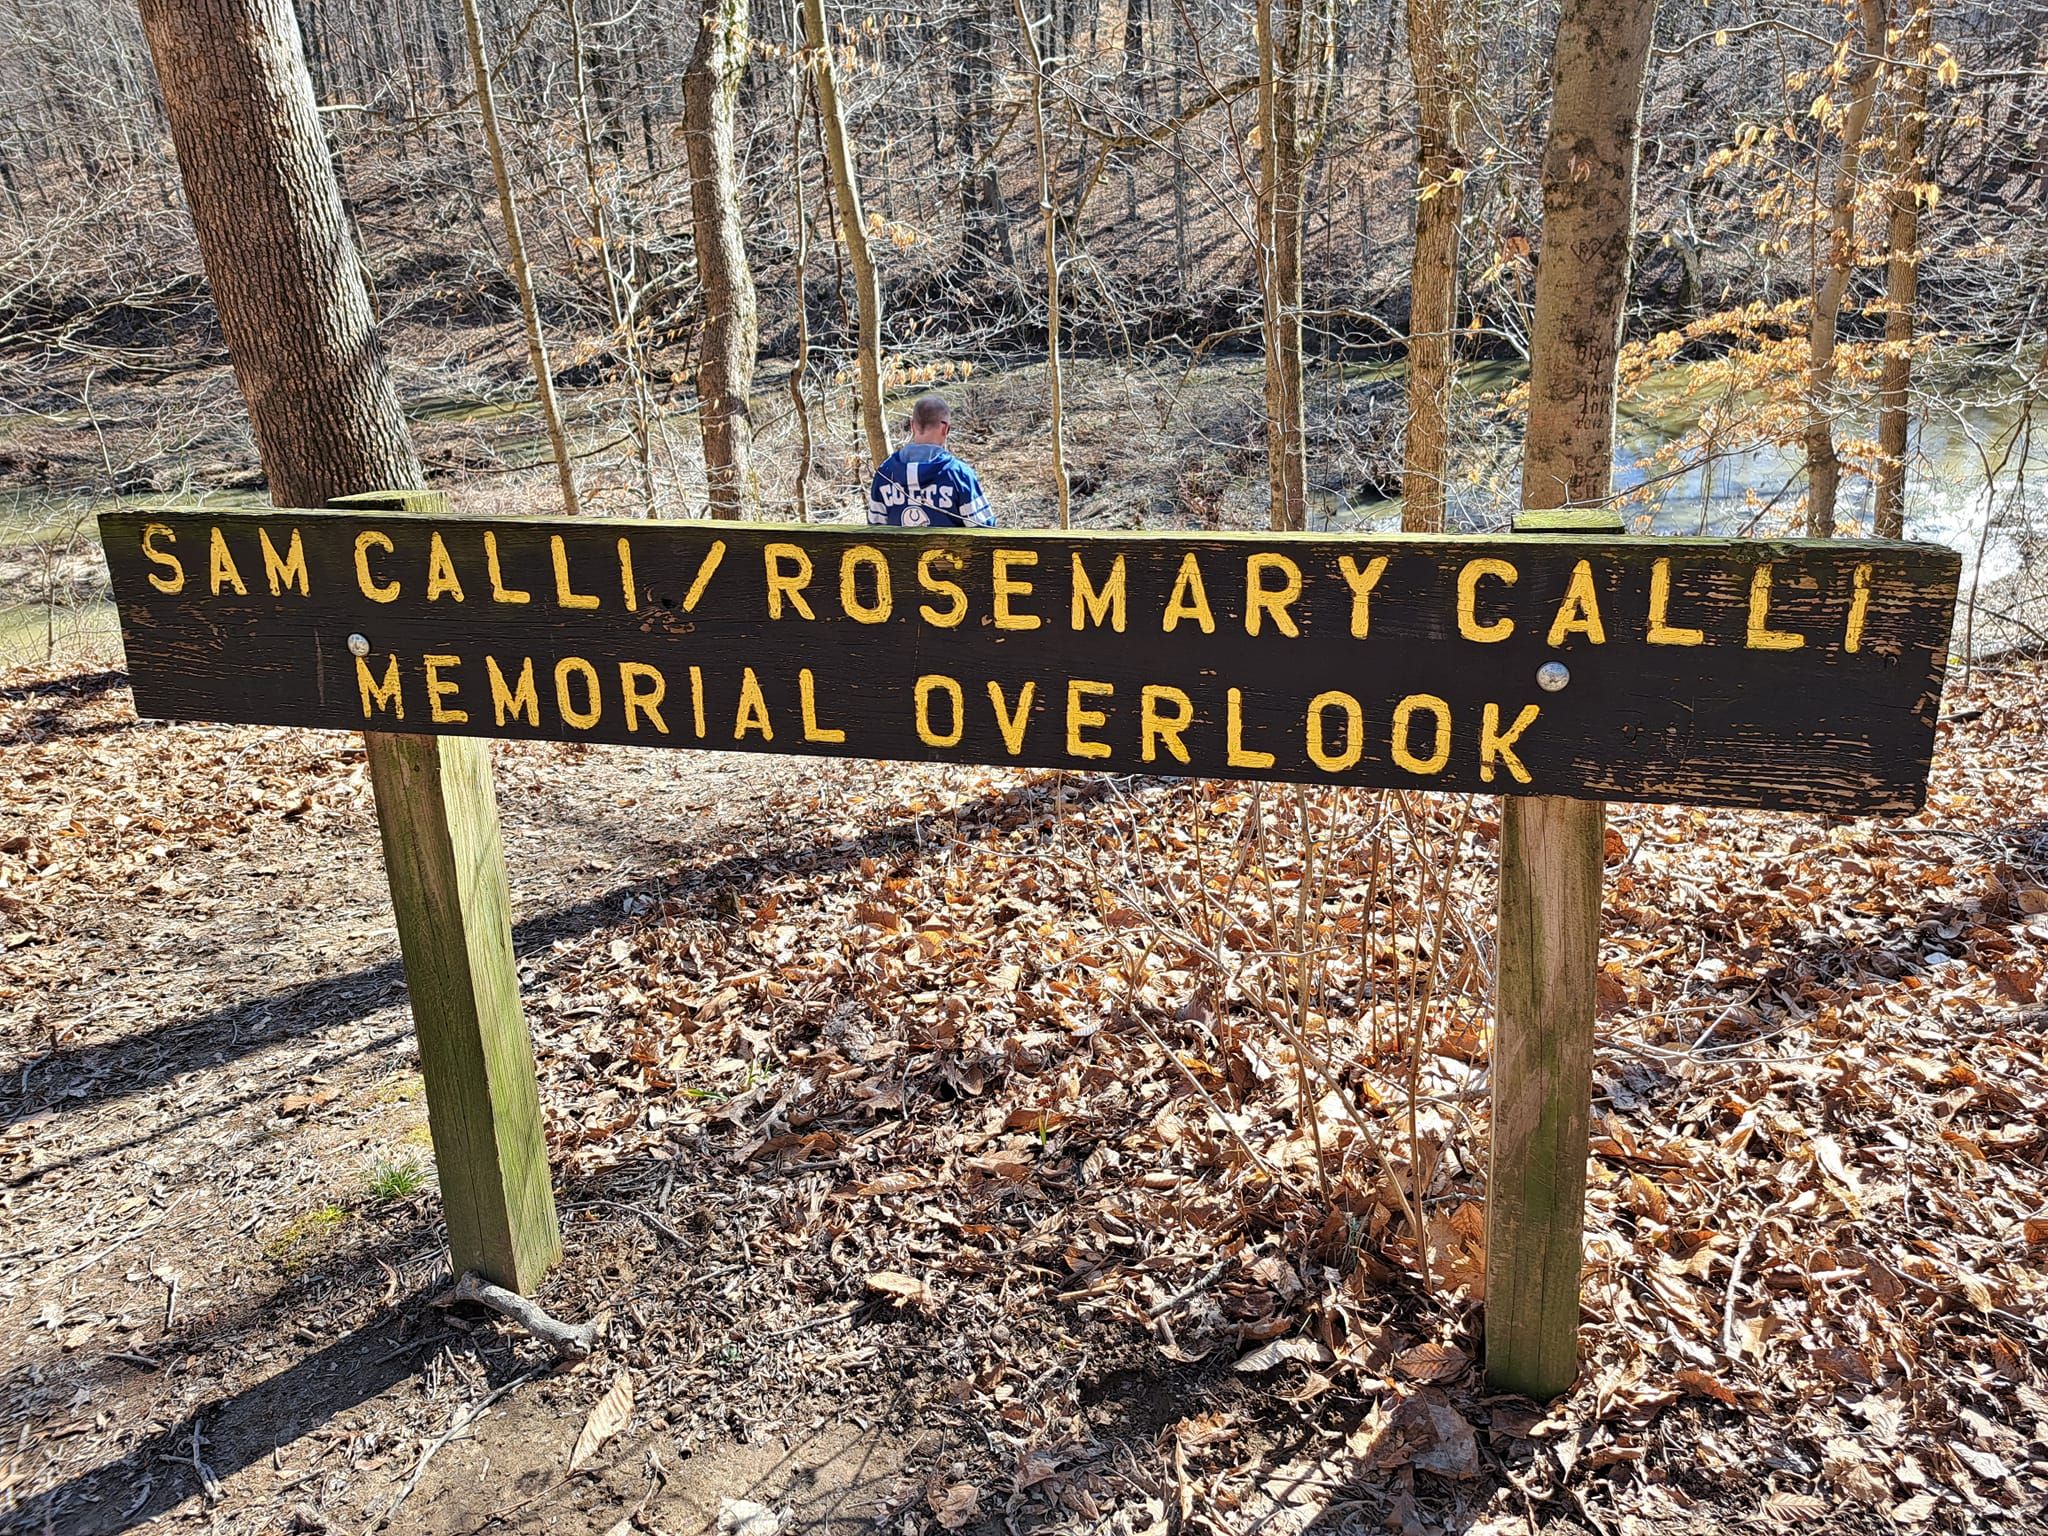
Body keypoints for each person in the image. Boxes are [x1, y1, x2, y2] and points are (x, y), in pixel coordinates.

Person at [868, 394, 995, 528]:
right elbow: (985, 530)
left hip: (900, 549)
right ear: (945, 428)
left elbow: (875, 531)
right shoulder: (959, 475)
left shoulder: (884, 474)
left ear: (912, 426)